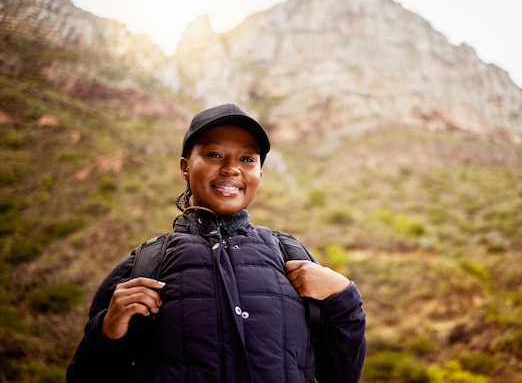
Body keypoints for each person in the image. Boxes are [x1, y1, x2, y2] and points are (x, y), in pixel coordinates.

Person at [67, 103, 366, 383]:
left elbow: (340, 376)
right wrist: (107, 332)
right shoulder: (144, 267)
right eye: (214, 155)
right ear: (185, 167)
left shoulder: (293, 258)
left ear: (259, 173)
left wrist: (344, 300)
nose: (231, 168)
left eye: (247, 159)